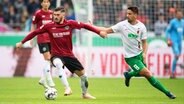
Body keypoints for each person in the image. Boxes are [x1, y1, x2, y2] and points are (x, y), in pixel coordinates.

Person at [16, 6, 106, 99]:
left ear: (63, 15)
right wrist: (22, 42)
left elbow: (85, 26)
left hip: (69, 55)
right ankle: (67, 88)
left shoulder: (70, 24)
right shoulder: (49, 26)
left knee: (84, 77)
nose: (55, 17)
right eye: (54, 15)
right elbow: (35, 33)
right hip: (56, 54)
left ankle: (85, 94)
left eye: (57, 15)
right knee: (58, 64)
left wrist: (99, 32)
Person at [93, 6, 176, 99]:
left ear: (136, 15)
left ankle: (128, 75)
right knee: (148, 74)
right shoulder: (122, 25)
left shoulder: (141, 27)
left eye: (130, 14)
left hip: (140, 55)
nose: (127, 15)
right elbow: (105, 29)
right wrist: (91, 26)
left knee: (146, 75)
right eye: (127, 13)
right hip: (130, 58)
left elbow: (145, 42)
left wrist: (144, 54)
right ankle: (168, 93)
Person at [30, 0, 72, 96]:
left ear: (49, 4)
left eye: (47, 2)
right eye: (44, 2)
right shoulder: (38, 13)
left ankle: (42, 78)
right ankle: (48, 80)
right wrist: (32, 37)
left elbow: (56, 25)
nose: (46, 4)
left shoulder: (52, 13)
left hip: (51, 39)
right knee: (48, 58)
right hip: (42, 39)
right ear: (41, 4)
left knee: (52, 60)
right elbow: (33, 25)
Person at [165, 9, 184, 79]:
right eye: (178, 14)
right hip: (174, 41)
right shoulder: (173, 22)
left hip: (180, 42)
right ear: (176, 15)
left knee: (177, 57)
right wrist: (168, 40)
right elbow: (167, 31)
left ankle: (172, 73)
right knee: (176, 54)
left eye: (181, 14)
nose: (180, 15)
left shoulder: (183, 22)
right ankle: (173, 72)